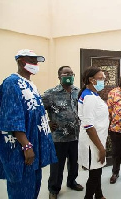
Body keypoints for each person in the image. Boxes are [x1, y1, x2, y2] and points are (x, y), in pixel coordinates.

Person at [0, 49, 58, 199]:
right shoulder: (12, 83)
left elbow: (31, 113)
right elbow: (12, 118)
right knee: (21, 191)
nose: (36, 64)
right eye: (32, 61)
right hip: (20, 149)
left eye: (37, 61)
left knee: (33, 188)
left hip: (33, 146)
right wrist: (26, 146)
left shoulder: (30, 85)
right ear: (22, 62)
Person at [42, 66, 83, 199]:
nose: (69, 75)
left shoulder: (78, 91)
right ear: (59, 76)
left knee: (74, 162)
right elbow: (37, 110)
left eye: (71, 73)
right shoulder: (50, 94)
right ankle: (54, 188)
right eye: (66, 73)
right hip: (59, 137)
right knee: (57, 166)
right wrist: (47, 123)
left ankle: (72, 182)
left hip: (76, 135)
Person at [78, 66, 108, 199]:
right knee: (94, 175)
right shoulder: (89, 97)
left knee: (97, 170)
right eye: (100, 78)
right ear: (91, 80)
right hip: (93, 143)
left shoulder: (92, 94)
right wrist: (101, 149)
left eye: (103, 78)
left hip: (97, 139)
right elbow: (89, 126)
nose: (103, 81)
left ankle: (99, 195)